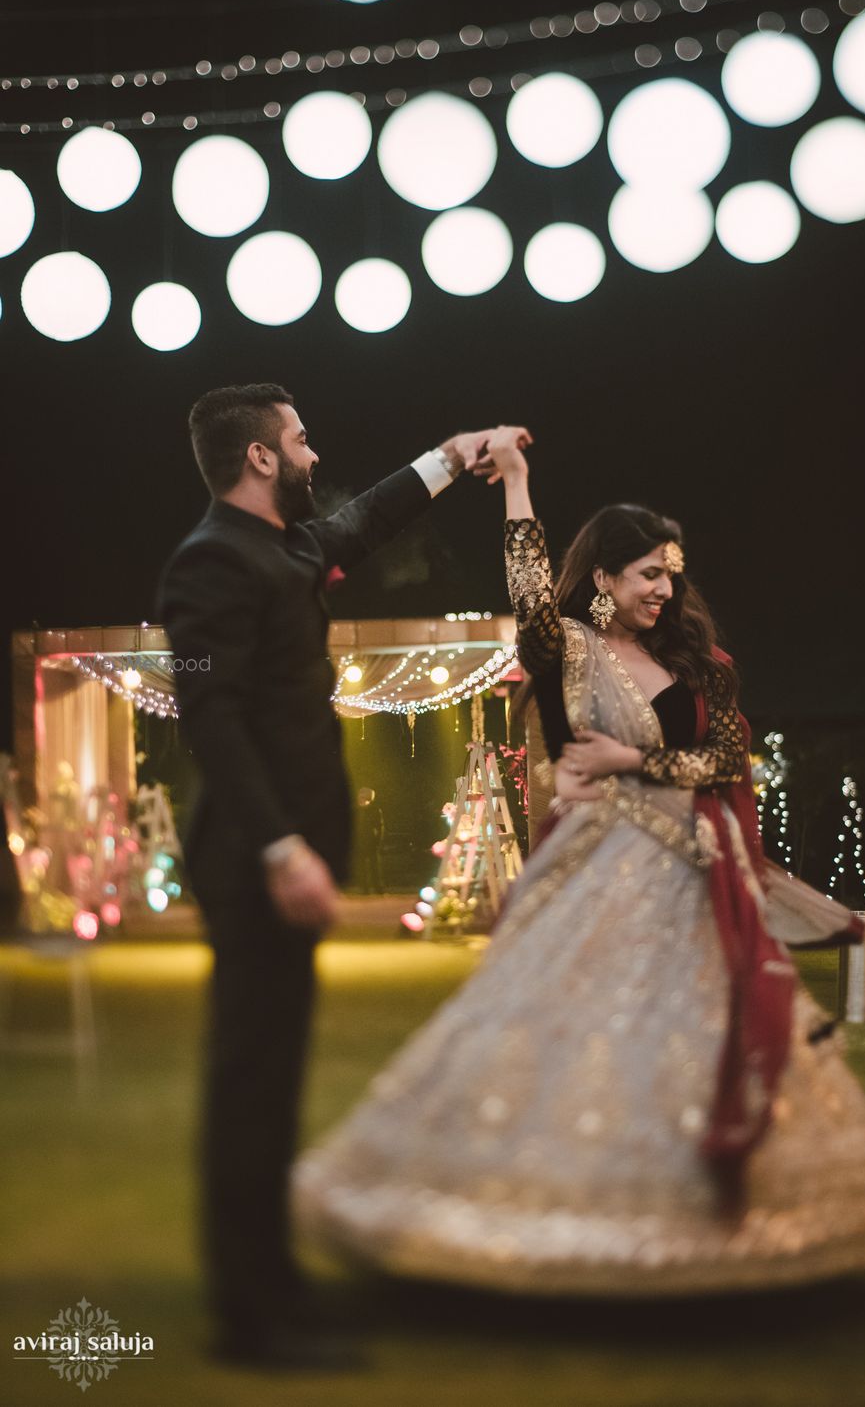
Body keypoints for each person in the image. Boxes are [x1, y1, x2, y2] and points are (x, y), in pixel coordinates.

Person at [292, 426, 865, 1296]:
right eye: (649, 574)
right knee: (580, 1037)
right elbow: (525, 592)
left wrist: (632, 761)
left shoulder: (698, 667)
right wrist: (515, 481)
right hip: (600, 868)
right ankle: (548, 1213)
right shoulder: (570, 648)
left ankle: (710, 1218)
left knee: (696, 1037)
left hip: (693, 871)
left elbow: (729, 763)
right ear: (604, 581)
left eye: (672, 573)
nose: (667, 588)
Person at [157, 383, 524, 1365]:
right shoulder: (206, 566)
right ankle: (250, 1316)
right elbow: (208, 719)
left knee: (276, 1084)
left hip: (289, 858)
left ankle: (277, 1285)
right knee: (250, 1081)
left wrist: (454, 454)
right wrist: (280, 852)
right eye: (301, 438)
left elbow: (366, 517)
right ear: (262, 458)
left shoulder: (288, 547)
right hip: (251, 862)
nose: (316, 453)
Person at [353, 786, 385, 895]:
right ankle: (365, 889)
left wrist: (378, 841)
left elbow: (380, 827)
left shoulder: (374, 810)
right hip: (361, 841)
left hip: (371, 842)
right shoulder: (357, 810)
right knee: (363, 867)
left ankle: (377, 888)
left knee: (374, 867)